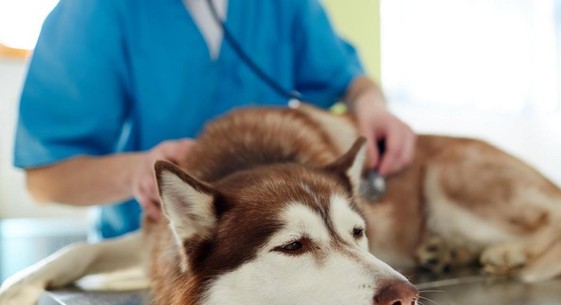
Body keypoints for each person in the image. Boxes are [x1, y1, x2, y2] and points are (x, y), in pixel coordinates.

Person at [15, 0, 414, 236]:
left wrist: (371, 104)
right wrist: (139, 171)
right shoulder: (96, 11)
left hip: (276, 253)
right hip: (143, 259)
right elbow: (45, 179)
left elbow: (347, 78)